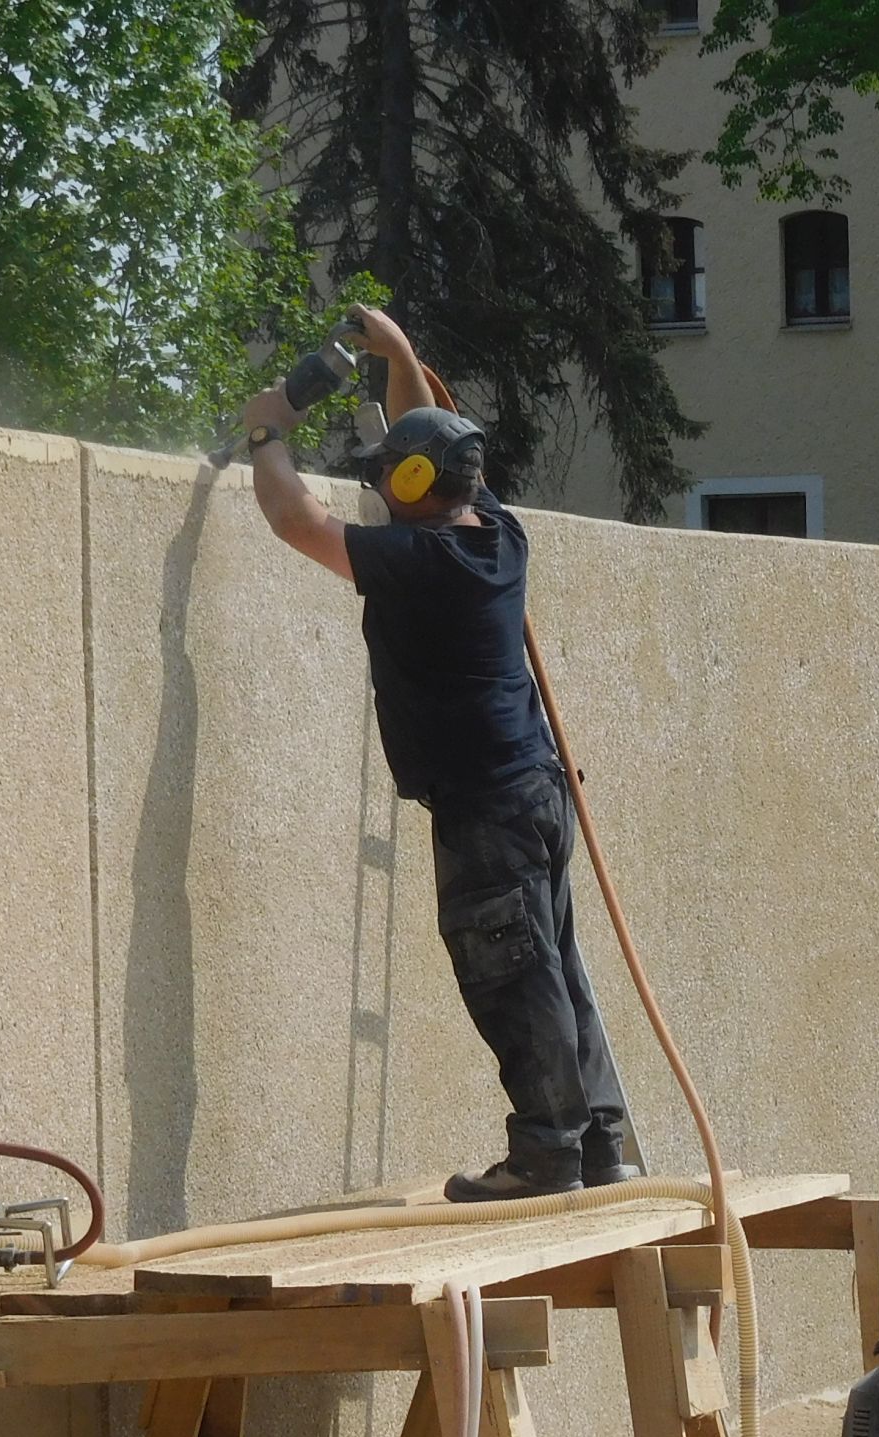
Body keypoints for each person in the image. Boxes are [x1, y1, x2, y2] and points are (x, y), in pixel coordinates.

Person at [239, 305, 636, 1199]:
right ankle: (602, 1146)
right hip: (533, 792)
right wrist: (401, 354)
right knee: (555, 969)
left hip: (486, 809)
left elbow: (295, 519)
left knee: (512, 980)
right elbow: (426, 448)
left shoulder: (422, 565)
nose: (379, 489)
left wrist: (269, 432)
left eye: (390, 477)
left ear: (417, 480)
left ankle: (546, 1155)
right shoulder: (492, 533)